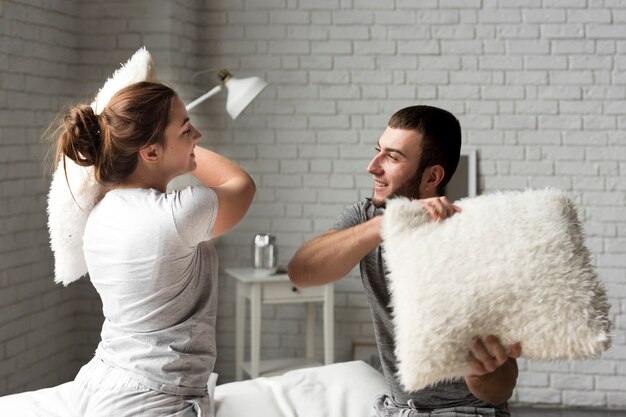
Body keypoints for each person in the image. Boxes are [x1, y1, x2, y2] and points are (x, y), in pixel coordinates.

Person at [288, 105, 521, 417]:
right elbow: (302, 272)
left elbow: (501, 389)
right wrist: (383, 226)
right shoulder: (368, 217)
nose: (372, 167)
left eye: (392, 157)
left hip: (466, 411)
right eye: (377, 151)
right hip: (398, 410)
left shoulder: (473, 239)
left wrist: (483, 373)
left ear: (432, 176)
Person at [53, 81, 255, 416]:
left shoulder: (101, 212)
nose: (198, 137)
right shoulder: (177, 214)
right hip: (151, 400)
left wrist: (144, 137)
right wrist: (174, 145)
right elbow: (241, 186)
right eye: (187, 129)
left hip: (100, 380)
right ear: (150, 152)